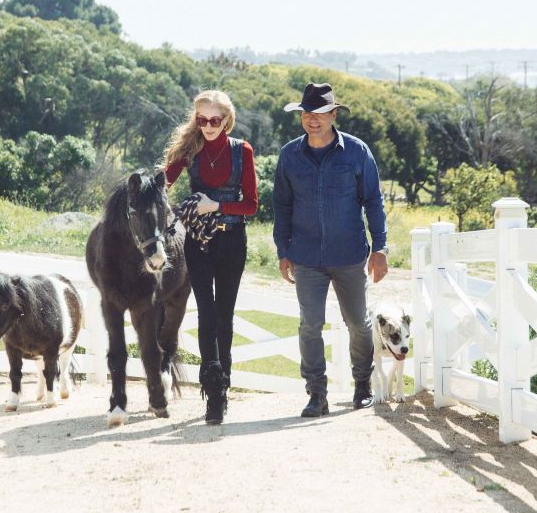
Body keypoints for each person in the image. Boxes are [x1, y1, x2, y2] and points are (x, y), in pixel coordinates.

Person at [272, 82, 388, 417]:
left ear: (334, 114)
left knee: (358, 323)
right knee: (310, 324)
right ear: (301, 116)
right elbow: (282, 205)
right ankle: (316, 394)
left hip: (350, 255)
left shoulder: (356, 151)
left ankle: (362, 385)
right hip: (306, 256)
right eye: (307, 113)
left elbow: (373, 200)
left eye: (321, 113)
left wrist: (380, 247)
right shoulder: (289, 156)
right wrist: (283, 250)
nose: (313, 119)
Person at [162, 90, 257, 425]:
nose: (207, 126)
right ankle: (212, 392)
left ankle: (223, 385)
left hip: (232, 242)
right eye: (201, 120)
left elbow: (251, 205)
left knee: (224, 317)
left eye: (214, 120)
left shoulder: (242, 151)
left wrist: (215, 205)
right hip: (198, 244)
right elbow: (162, 183)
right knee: (205, 315)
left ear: (226, 120)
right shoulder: (191, 149)